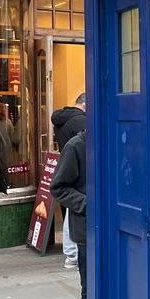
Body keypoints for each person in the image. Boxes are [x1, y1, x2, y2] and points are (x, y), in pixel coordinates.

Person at [50, 129, 87, 299]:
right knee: (90, 289)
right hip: (86, 232)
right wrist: (87, 204)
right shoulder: (75, 146)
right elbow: (58, 187)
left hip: (117, 230)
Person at [51, 93, 86, 269]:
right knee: (74, 214)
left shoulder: (61, 119)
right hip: (78, 167)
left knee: (70, 215)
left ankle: (70, 254)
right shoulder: (80, 123)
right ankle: (72, 254)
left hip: (67, 165)